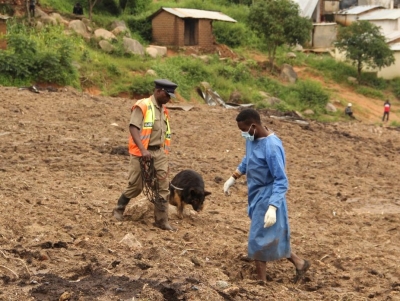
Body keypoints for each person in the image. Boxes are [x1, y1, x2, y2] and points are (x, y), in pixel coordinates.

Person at [223, 108, 310, 284]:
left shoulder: (272, 147)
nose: (243, 135)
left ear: (253, 126)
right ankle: (299, 262)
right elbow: (248, 159)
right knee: (268, 233)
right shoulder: (252, 138)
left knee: (257, 236)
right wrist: (234, 176)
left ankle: (261, 281)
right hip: (255, 193)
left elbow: (281, 179)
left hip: (269, 195)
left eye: (244, 131)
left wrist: (273, 206)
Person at [112, 79, 178, 231]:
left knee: (163, 185)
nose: (168, 99)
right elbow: (133, 127)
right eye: (167, 95)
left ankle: (161, 220)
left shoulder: (164, 110)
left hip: (159, 152)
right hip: (141, 152)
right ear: (158, 91)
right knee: (136, 186)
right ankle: (119, 208)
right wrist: (143, 150)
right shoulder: (142, 106)